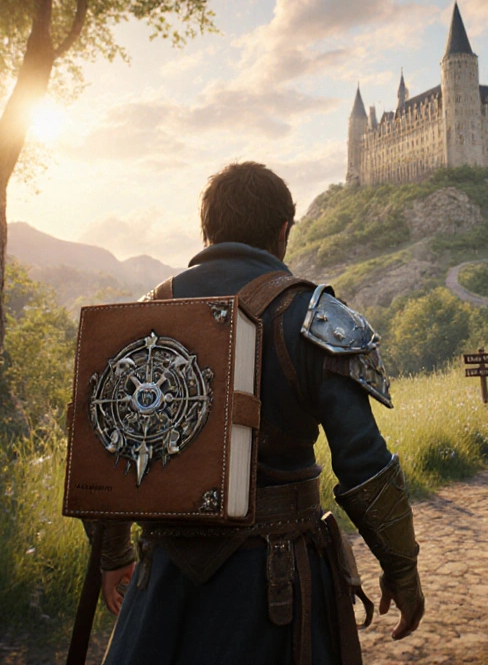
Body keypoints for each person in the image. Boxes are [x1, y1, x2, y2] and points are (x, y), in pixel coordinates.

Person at [90, 161, 424, 665]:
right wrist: (402, 568)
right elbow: (364, 461)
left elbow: (109, 442)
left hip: (163, 588)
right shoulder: (313, 317)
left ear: (207, 230)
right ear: (283, 231)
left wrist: (114, 553)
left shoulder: (144, 315)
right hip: (274, 586)